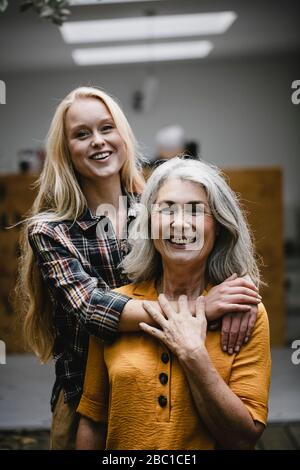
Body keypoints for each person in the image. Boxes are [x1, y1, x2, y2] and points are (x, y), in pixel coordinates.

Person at [16, 88, 261, 450]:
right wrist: (199, 310)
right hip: (85, 400)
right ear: (65, 149)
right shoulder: (51, 230)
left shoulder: (154, 210)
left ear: (123, 136)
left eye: (106, 128)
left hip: (160, 384)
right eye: (82, 134)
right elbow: (91, 308)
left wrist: (242, 295)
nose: (98, 141)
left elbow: (211, 252)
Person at [77, 157, 270, 450]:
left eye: (196, 210)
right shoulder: (115, 308)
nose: (179, 223)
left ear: (218, 225)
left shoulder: (243, 312)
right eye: (166, 209)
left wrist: (194, 355)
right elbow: (93, 421)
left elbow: (243, 438)